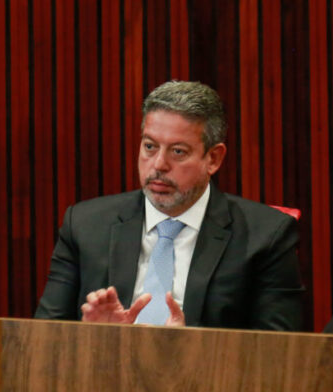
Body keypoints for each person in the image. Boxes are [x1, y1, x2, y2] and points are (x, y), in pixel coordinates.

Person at [35, 80, 303, 330]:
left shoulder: (266, 236)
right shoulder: (85, 225)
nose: (159, 164)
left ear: (213, 158)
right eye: (150, 146)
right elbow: (43, 339)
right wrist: (95, 339)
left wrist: (187, 350)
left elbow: (280, 354)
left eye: (178, 152)